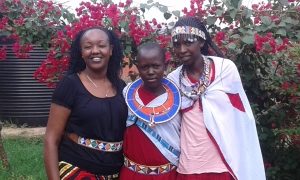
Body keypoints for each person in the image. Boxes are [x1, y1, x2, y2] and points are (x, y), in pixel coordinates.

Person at [167, 17, 266, 180]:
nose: (182, 50)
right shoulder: (174, 79)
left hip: (225, 164)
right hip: (189, 167)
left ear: (201, 41)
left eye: (188, 43)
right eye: (177, 45)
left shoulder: (224, 70)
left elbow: (240, 117)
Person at [43, 27, 128, 180]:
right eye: (88, 46)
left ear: (111, 50)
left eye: (101, 45)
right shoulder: (70, 85)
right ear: (81, 52)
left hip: (115, 171)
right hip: (78, 169)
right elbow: (51, 139)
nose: (95, 51)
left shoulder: (121, 87)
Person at [119, 42, 181, 180]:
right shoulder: (126, 94)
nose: (151, 72)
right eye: (145, 67)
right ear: (138, 67)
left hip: (168, 175)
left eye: (156, 66)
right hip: (131, 174)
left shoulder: (180, 98)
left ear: (166, 65)